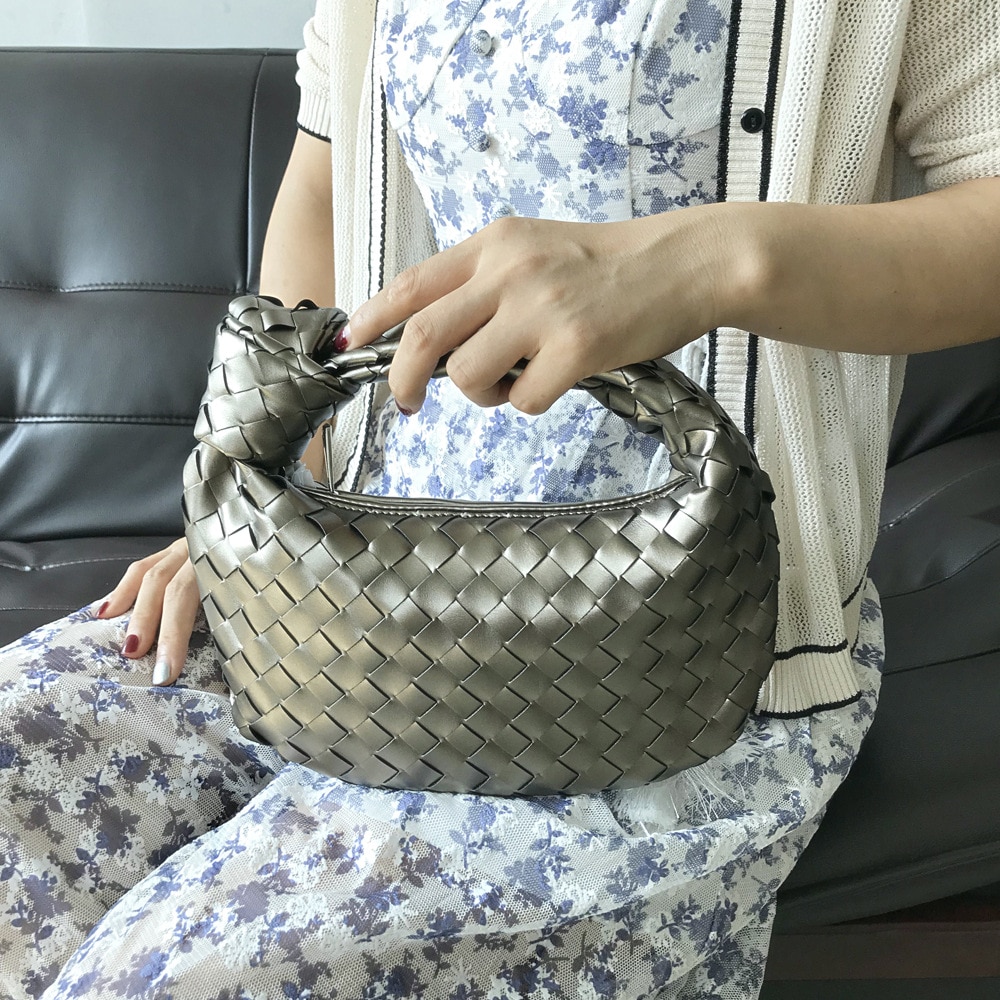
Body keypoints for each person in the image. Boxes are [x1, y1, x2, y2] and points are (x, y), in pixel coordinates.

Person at [1, 1, 997, 997]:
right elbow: (323, 186)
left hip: (668, 657)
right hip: (339, 583)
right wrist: (260, 500)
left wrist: (708, 260)